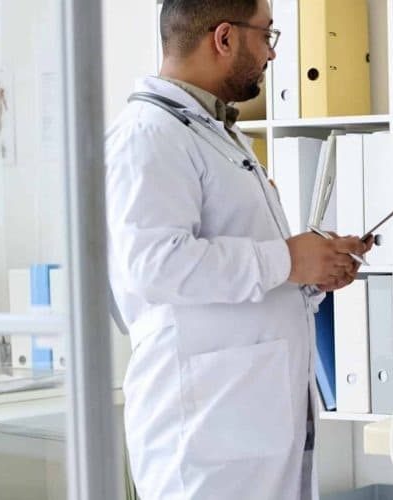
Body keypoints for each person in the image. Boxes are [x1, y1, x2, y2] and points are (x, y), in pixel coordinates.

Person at [105, 1, 369, 498]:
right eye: (267, 34)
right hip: (205, 434)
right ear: (224, 38)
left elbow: (243, 272)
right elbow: (154, 266)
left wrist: (312, 271)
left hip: (247, 419)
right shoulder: (148, 135)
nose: (272, 53)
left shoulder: (216, 133)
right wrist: (290, 259)